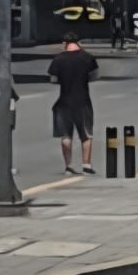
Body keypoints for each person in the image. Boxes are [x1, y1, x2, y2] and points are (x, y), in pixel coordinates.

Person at [48, 32, 100, 175]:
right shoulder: (87, 57)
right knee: (86, 135)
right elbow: (94, 76)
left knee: (66, 136)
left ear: (65, 43)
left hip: (64, 102)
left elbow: (53, 79)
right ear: (78, 43)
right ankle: (87, 165)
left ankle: (68, 166)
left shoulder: (58, 59)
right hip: (83, 101)